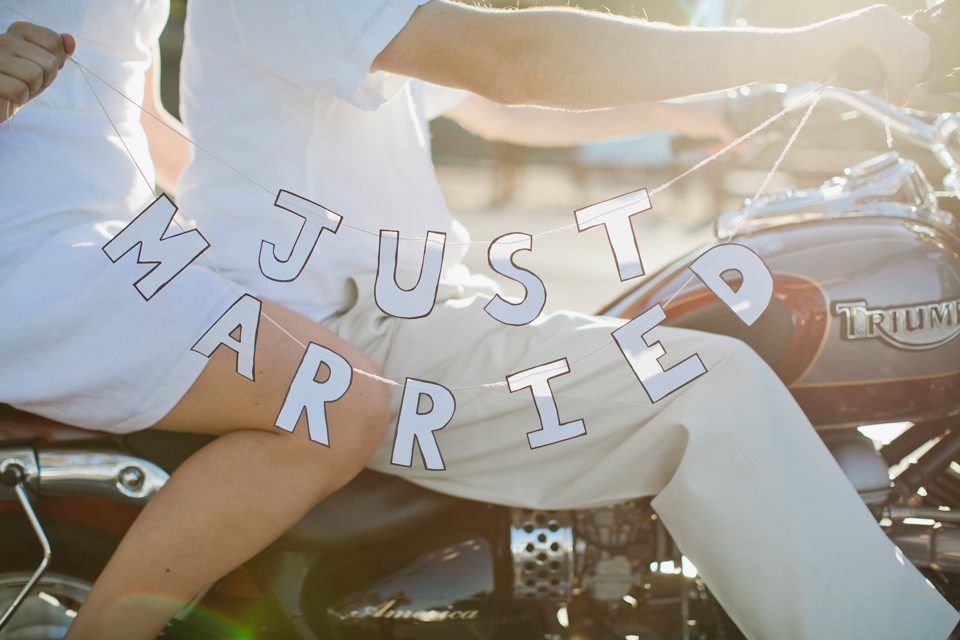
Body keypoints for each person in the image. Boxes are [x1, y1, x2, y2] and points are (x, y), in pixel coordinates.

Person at [170, 2, 955, 640]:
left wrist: (718, 109)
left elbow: (489, 103)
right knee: (709, 390)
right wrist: (810, 47)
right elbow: (511, 61)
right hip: (346, 336)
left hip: (394, 314)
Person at [0, 3, 391, 638]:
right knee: (335, 400)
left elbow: (138, 116)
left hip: (117, 236)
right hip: (22, 251)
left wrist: (270, 218)